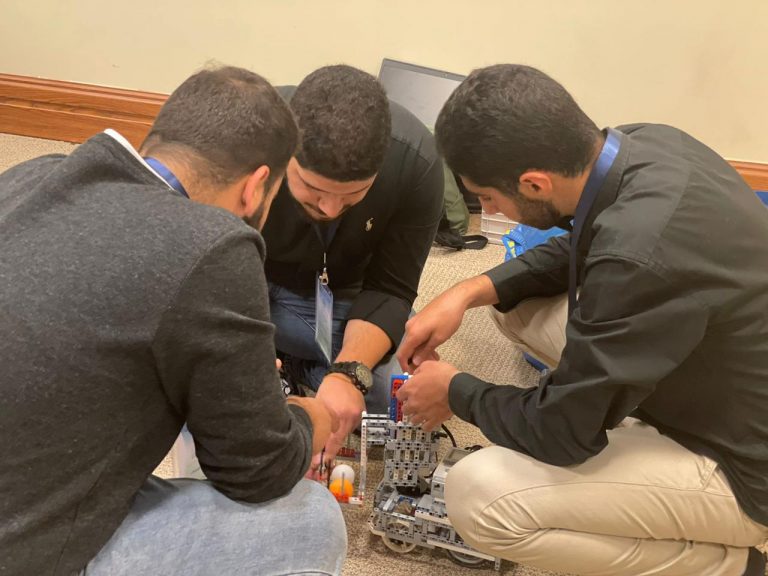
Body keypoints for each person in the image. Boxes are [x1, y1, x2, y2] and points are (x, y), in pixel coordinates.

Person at [396, 64, 768, 575]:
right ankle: (609, 398)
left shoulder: (637, 257)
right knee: (512, 304)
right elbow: (584, 246)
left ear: (534, 183)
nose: (490, 210)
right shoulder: (646, 144)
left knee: (479, 495)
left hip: (742, 468)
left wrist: (457, 391)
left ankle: (725, 565)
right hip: (714, 368)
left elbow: (562, 434)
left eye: (488, 198)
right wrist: (464, 292)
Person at [0, 66, 346, 576]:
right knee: (312, 521)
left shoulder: (30, 175)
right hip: (27, 551)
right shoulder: (217, 246)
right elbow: (257, 469)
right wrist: (309, 417)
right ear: (256, 188)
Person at [261, 65, 444, 465]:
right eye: (313, 189)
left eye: (352, 195)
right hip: (249, 281)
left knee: (398, 397)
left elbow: (391, 287)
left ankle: (297, 363)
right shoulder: (249, 135)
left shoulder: (416, 163)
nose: (329, 209)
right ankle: (287, 354)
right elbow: (207, 267)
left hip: (339, 295)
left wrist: (348, 374)